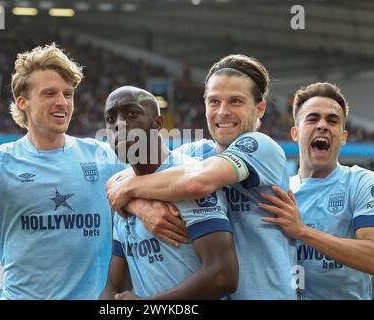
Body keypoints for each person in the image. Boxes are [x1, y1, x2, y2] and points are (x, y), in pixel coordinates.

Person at [0, 43, 162, 299]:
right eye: (49, 94)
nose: (62, 102)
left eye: (68, 94)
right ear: (22, 102)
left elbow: (155, 180)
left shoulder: (104, 155)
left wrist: (140, 204)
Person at [107, 54, 297, 299]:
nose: (223, 112)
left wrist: (131, 189)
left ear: (260, 108)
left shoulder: (261, 146)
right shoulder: (197, 152)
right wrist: (141, 206)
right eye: (214, 101)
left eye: (236, 101)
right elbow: (117, 181)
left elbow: (197, 184)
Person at [99, 86, 238, 300]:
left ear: (157, 124)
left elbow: (223, 275)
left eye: (132, 113)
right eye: (111, 118)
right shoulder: (122, 193)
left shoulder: (188, 177)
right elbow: (114, 285)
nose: (119, 124)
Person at [258, 82, 374, 299]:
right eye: (312, 118)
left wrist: (302, 231)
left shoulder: (360, 182)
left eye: (332, 120)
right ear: (295, 132)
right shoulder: (278, 192)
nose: (322, 125)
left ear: (344, 136)